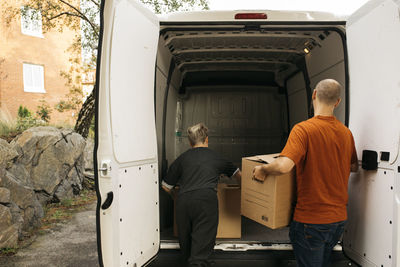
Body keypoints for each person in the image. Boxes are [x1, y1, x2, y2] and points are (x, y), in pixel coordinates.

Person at [253, 79, 359, 267]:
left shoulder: (303, 129)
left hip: (311, 221)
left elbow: (284, 166)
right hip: (338, 220)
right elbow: (353, 167)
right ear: (338, 102)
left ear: (314, 95)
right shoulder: (346, 133)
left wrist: (262, 169)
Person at [162, 123, 241, 267]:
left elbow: (166, 186)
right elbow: (238, 174)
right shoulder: (217, 157)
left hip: (183, 202)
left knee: (187, 252)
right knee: (200, 256)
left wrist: (176, 196)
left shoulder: (182, 159)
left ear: (190, 142)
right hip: (206, 201)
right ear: (207, 139)